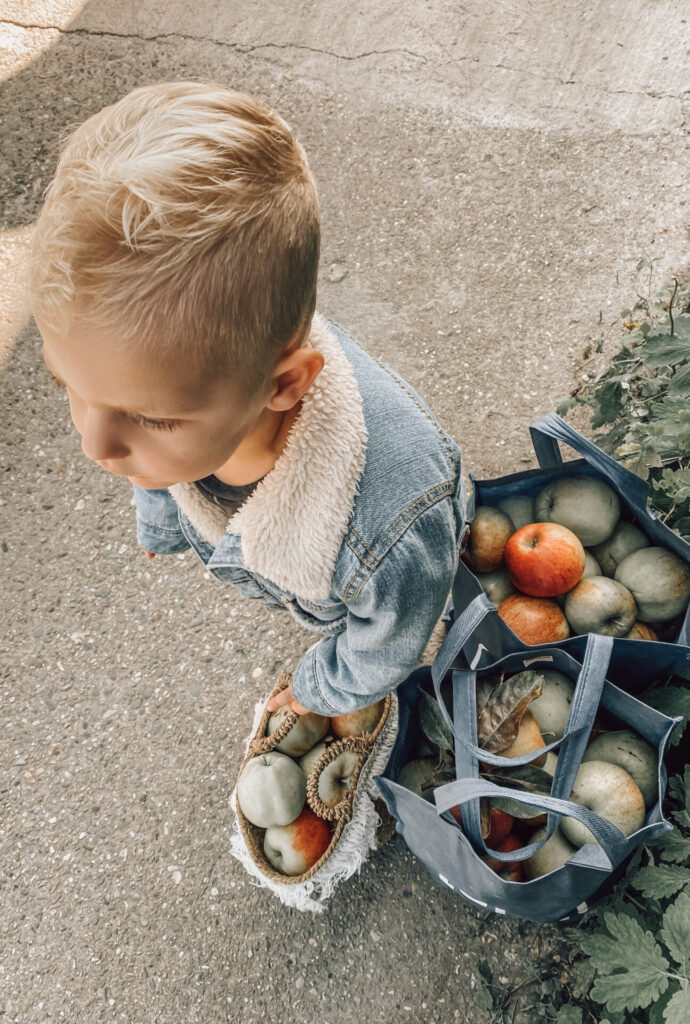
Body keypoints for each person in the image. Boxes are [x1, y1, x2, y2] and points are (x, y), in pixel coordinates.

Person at [28, 80, 468, 718]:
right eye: (69, 388)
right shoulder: (177, 397)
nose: (95, 444)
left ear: (285, 383)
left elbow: (389, 643)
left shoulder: (389, 532)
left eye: (149, 417)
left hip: (381, 571)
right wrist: (160, 518)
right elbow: (145, 457)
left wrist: (324, 686)